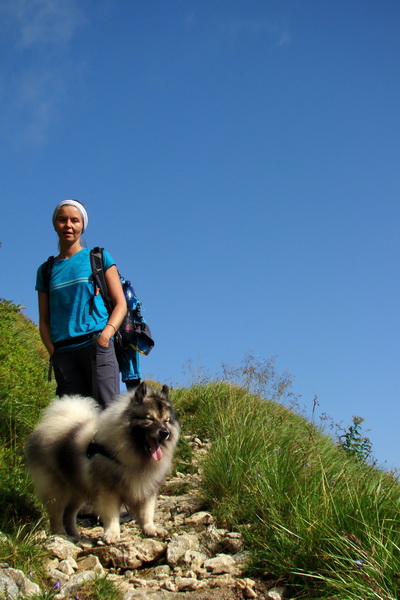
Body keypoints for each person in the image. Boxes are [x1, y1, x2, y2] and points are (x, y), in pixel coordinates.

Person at [36, 199, 127, 407]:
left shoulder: (98, 257)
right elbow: (44, 320)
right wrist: (54, 352)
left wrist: (106, 336)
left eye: (74, 220)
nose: (68, 225)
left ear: (82, 225)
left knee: (107, 417)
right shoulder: (45, 270)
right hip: (64, 354)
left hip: (97, 345)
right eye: (62, 220)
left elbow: (120, 303)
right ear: (55, 224)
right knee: (75, 424)